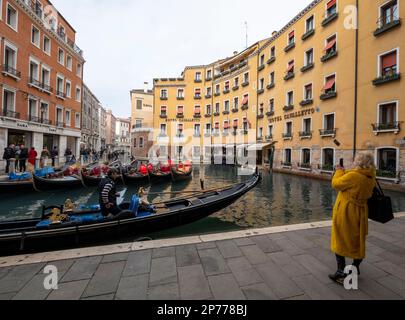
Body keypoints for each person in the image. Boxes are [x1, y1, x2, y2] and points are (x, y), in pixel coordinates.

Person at [329, 153, 377, 285]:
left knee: (340, 239)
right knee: (358, 240)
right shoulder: (371, 176)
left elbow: (336, 184)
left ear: (359, 162)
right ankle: (355, 268)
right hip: (360, 212)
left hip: (347, 212)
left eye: (355, 159)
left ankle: (340, 273)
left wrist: (339, 171)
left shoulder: (354, 176)